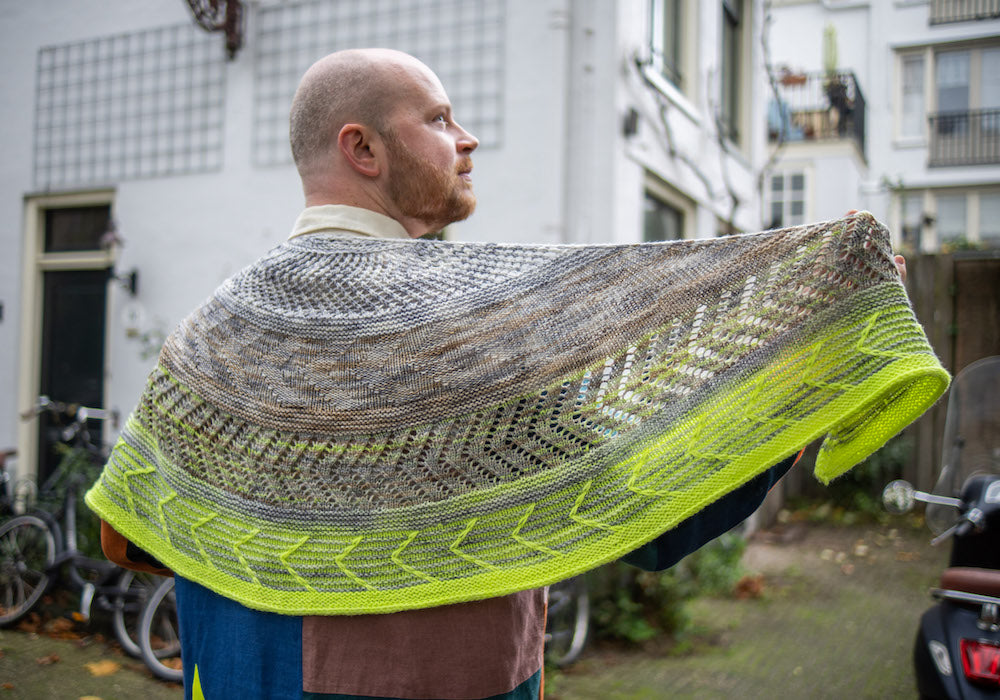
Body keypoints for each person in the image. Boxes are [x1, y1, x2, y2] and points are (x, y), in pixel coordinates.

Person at [92, 49, 919, 700]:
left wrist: (278, 551)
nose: (468, 137)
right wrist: (812, 359)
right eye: (441, 117)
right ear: (363, 148)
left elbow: (123, 534)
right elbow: (659, 525)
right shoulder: (475, 323)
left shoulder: (210, 330)